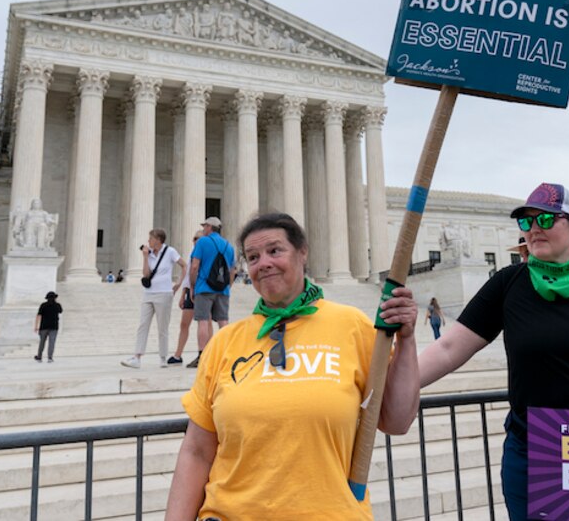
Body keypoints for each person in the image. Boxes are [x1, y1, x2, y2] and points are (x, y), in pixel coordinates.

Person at [417, 182, 569, 520]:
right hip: (535, 452)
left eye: (547, 220)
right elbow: (448, 349)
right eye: (527, 222)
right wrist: (386, 386)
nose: (535, 229)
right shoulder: (508, 284)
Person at [164, 212, 419, 520]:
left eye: (275, 250)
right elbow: (197, 451)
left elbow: (397, 421)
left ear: (302, 253)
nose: (264, 263)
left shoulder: (353, 326)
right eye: (253, 257)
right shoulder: (225, 342)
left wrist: (406, 342)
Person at [122, 229, 186, 369]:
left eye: (150, 238)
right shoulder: (149, 254)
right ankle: (137, 357)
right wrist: (145, 257)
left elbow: (184, 265)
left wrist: (179, 284)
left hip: (164, 293)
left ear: (158, 239)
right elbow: (146, 275)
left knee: (162, 327)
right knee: (143, 325)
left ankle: (163, 358)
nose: (148, 241)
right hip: (148, 293)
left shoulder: (170, 251)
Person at [186, 217, 236, 369]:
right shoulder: (229, 245)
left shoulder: (202, 242)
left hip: (204, 287)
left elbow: (194, 266)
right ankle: (227, 353)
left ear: (209, 227)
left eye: (204, 226)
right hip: (223, 289)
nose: (203, 229)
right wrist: (227, 287)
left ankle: (203, 355)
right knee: (223, 321)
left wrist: (193, 286)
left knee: (202, 321)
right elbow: (232, 271)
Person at [167, 231, 203, 365]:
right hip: (190, 291)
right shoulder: (192, 253)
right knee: (184, 324)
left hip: (202, 291)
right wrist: (183, 294)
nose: (195, 241)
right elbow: (188, 276)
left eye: (198, 238)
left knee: (203, 323)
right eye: (194, 238)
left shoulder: (205, 253)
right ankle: (178, 355)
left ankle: (204, 353)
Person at [35, 291, 62, 362]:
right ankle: (50, 357)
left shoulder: (43, 305)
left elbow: (38, 315)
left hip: (44, 326)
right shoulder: (57, 305)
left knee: (42, 342)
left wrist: (36, 326)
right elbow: (60, 311)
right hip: (54, 327)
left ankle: (39, 356)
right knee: (52, 342)